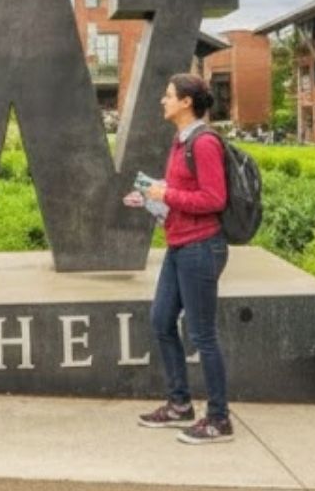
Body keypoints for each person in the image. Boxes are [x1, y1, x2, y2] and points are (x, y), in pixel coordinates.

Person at [125, 73, 234, 445]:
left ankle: (218, 419)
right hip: (179, 245)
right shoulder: (180, 141)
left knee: (203, 334)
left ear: (187, 102)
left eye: (168, 95)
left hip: (202, 247)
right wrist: (152, 198)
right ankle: (179, 405)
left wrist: (166, 193)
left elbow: (213, 200)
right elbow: (182, 194)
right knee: (160, 321)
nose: (162, 100)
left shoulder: (203, 143)